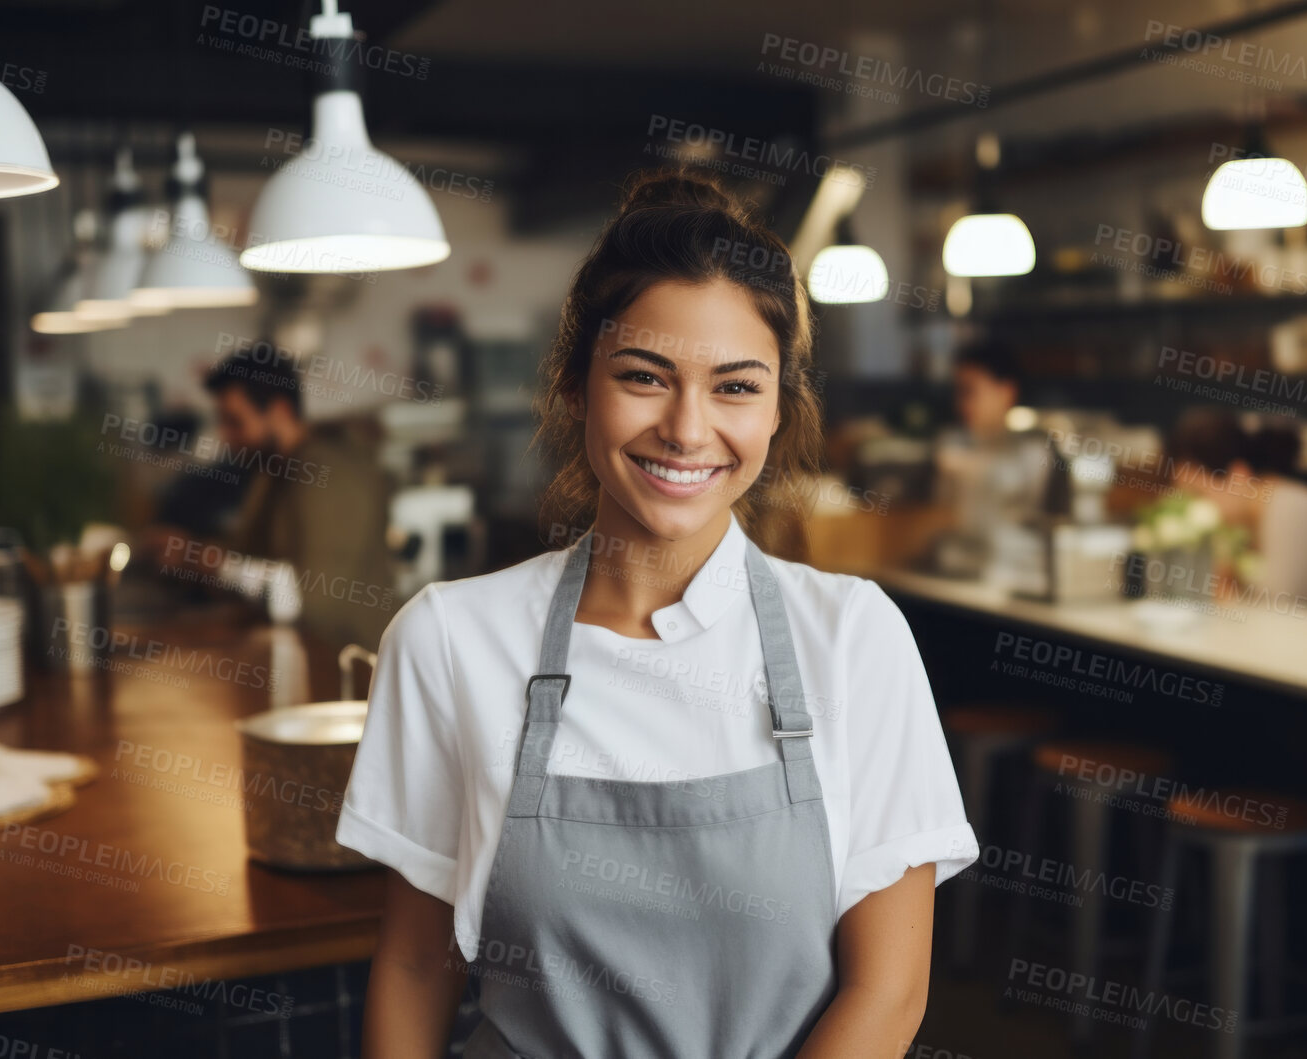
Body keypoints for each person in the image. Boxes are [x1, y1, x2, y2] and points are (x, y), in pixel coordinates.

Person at [337, 169, 980, 1058]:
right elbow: (414, 968)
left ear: (778, 406)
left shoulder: (852, 638)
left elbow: (888, 991)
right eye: (644, 376)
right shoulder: (449, 639)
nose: (686, 429)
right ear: (575, 386)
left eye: (735, 386)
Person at [153, 348, 395, 653]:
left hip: (354, 670)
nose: (226, 437)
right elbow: (252, 554)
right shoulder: (273, 470)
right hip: (306, 659)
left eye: (234, 421)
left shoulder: (327, 473)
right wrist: (192, 553)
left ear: (279, 411)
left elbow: (313, 602)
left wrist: (209, 563)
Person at [1166, 407, 1307, 603]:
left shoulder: (1289, 511)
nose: (1191, 509)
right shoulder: (1241, 523)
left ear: (1238, 476)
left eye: (1198, 495)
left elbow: (1276, 607)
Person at [929, 340, 1053, 577]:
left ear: (1006, 392)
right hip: (964, 568)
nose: (961, 404)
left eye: (970, 391)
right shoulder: (953, 444)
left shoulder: (1032, 451)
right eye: (958, 392)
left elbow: (1035, 520)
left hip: (1017, 571)